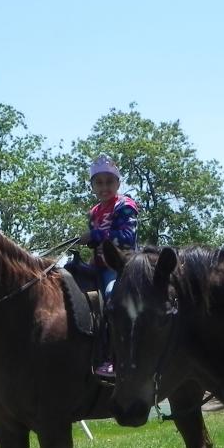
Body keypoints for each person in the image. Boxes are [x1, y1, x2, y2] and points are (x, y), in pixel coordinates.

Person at [77, 154, 139, 377]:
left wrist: (94, 235)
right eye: (99, 182)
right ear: (92, 186)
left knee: (112, 296)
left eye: (109, 182)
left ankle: (115, 357)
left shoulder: (125, 206)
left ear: (118, 183)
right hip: (98, 267)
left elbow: (126, 238)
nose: (104, 187)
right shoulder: (94, 212)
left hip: (121, 267)